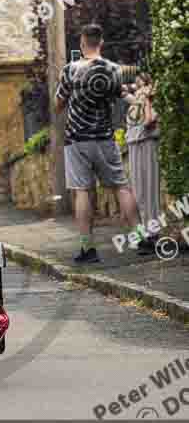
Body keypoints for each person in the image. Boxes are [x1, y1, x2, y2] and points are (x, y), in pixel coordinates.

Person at [55, 24, 142, 264]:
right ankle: (141, 238)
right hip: (104, 138)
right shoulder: (113, 70)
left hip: (76, 139)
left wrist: (72, 100)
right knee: (121, 186)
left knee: (82, 191)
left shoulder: (70, 70)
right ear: (100, 43)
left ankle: (88, 248)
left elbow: (58, 104)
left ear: (82, 43)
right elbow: (123, 95)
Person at [124, 73, 160, 254]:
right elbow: (124, 93)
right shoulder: (137, 99)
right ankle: (144, 234)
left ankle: (153, 235)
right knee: (138, 192)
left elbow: (149, 121)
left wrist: (146, 100)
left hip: (146, 143)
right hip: (133, 145)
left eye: (140, 82)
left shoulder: (150, 99)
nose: (136, 85)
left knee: (149, 190)